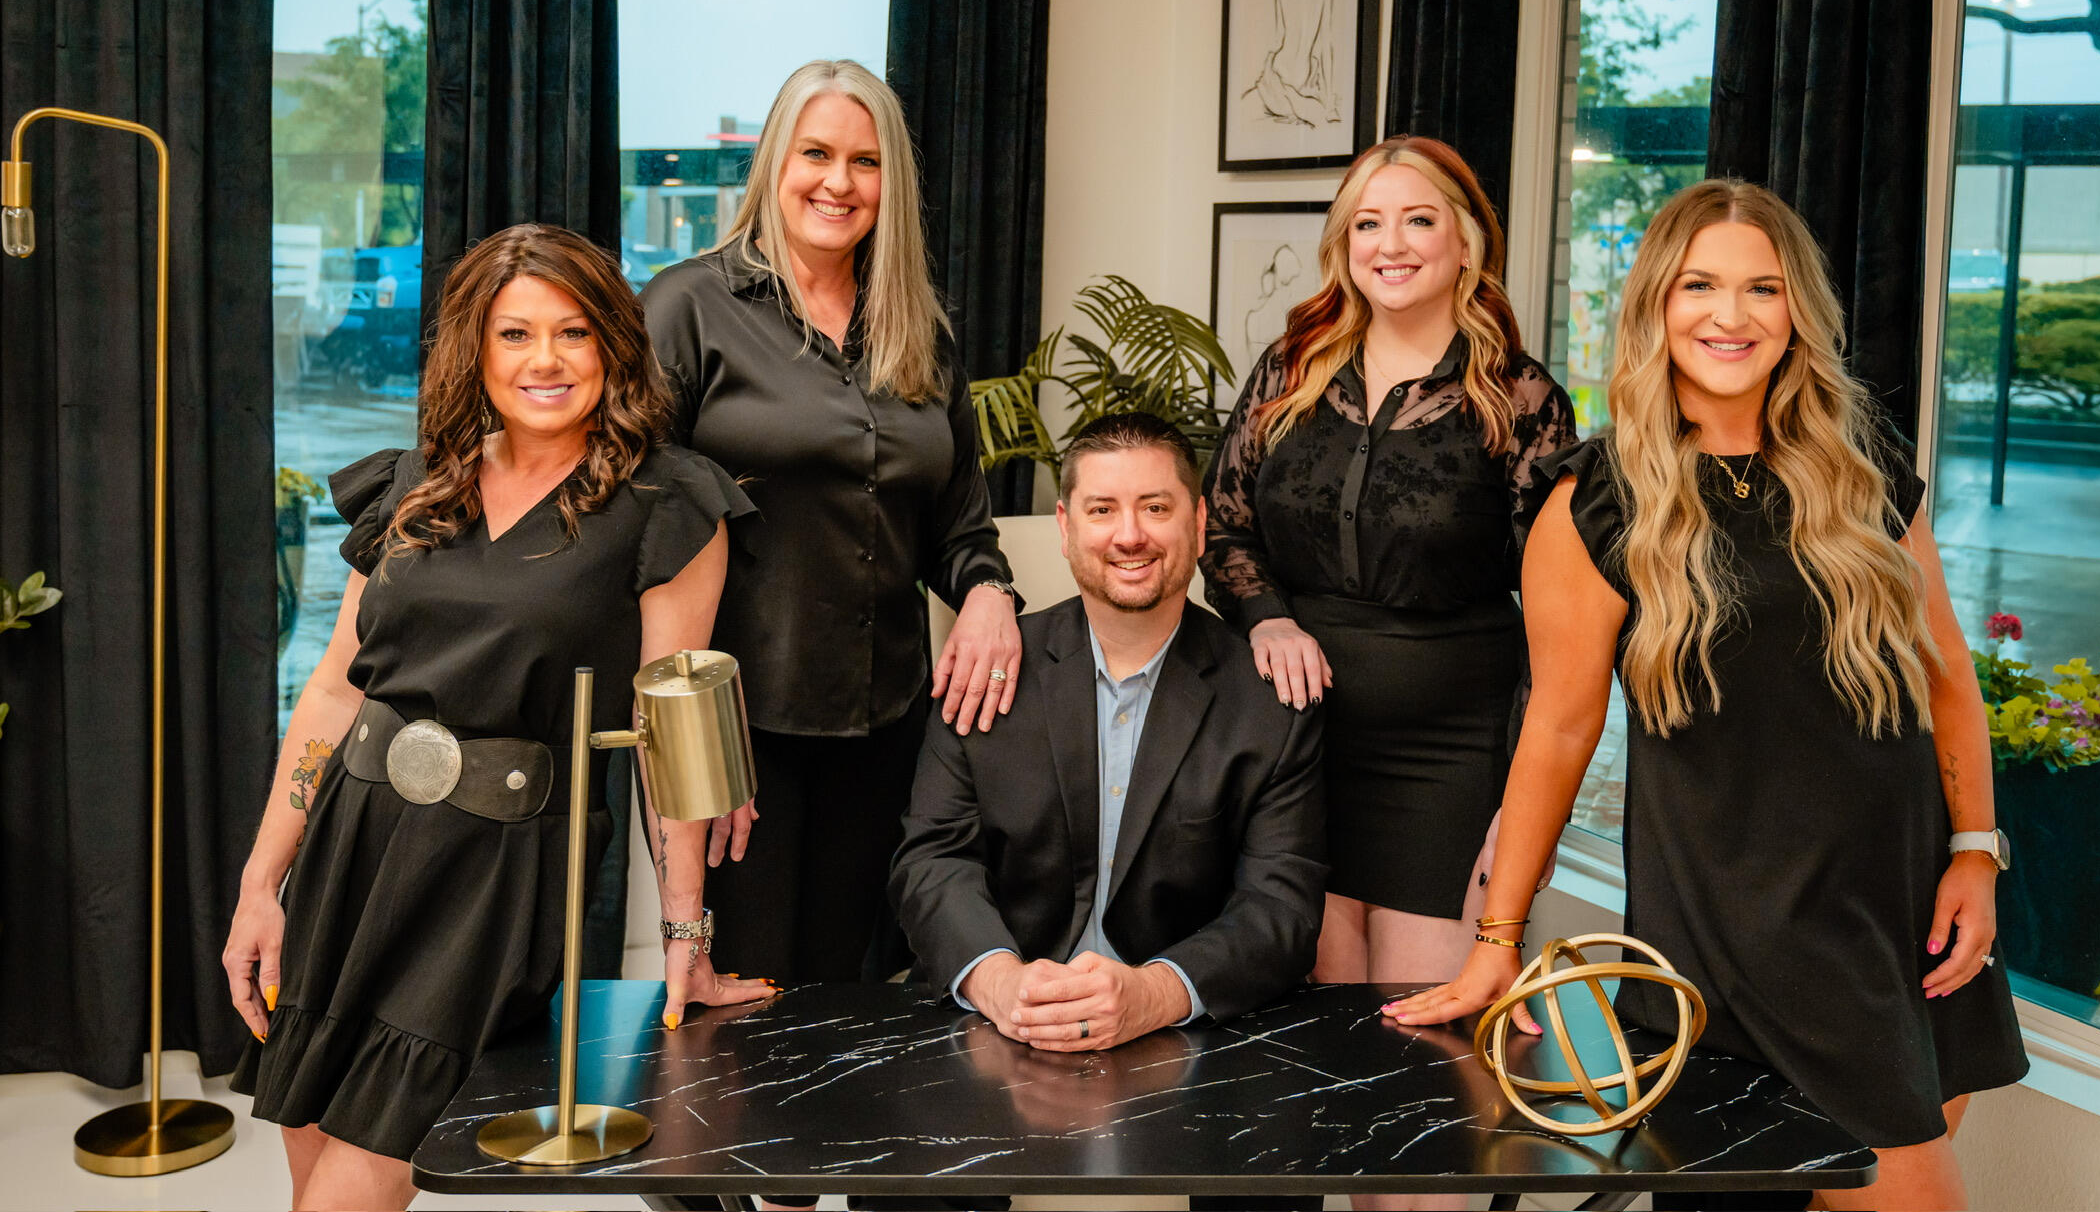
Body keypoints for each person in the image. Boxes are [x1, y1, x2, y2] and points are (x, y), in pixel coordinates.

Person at [1385, 180, 2028, 1212]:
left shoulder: (1863, 470)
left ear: (1797, 311)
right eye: (1699, 286)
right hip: (1747, 924)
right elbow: (1557, 729)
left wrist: (1975, 853)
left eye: (1762, 288)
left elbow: (1943, 673)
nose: (1731, 315)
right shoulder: (1593, 501)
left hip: (1903, 903)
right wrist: (1496, 940)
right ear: (1655, 304)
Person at [223, 225, 770, 1211]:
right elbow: (338, 690)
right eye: (515, 334)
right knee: (312, 1149)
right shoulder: (415, 482)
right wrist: (263, 882)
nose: (544, 360)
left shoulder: (669, 503)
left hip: (497, 867)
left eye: (573, 332)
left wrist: (686, 932)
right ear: (475, 350)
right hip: (353, 840)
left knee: (353, 1180)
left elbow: (667, 735)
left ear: (613, 344)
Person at [643, 58, 1023, 986]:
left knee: (857, 1012)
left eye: (866, 161)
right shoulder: (687, 309)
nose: (838, 182)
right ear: (774, 163)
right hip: (742, 734)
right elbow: (636, 541)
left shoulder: (919, 329)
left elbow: (958, 525)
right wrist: (695, 757)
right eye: (815, 154)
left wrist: (988, 594)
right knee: (740, 1012)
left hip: (889, 733)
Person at [1200, 136, 1578, 989]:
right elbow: (1223, 529)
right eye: (1368, 224)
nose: (1390, 244)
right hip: (1292, 747)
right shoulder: (1290, 371)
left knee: (1423, 1034)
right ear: (1345, 245)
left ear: (1465, 243)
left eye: (1418, 220)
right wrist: (1269, 621)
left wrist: (1531, 807)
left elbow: (1564, 623)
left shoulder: (1518, 398)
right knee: (1308, 1027)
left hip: (1449, 759)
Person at [891, 412, 1325, 1048]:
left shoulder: (1269, 700)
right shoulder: (985, 670)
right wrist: (999, 983)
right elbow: (932, 860)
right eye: (1102, 510)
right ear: (1066, 528)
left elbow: (1281, 907)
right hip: (992, 1028)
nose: (1129, 536)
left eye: (1155, 507)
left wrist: (1155, 993)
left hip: (1188, 1040)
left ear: (1199, 523)